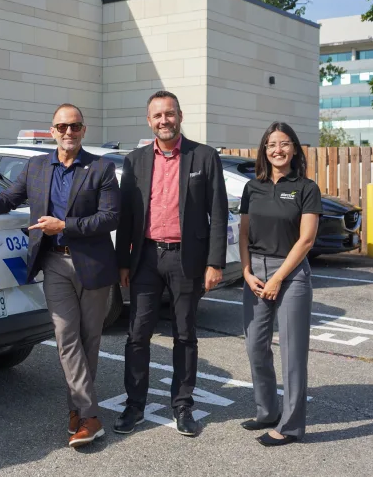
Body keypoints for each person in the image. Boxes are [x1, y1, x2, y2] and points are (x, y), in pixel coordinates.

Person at [0, 103, 120, 448]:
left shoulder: (101, 168)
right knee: (66, 338)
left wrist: (66, 226)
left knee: (89, 341)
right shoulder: (37, 167)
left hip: (93, 265)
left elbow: (110, 217)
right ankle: (90, 415)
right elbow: (8, 197)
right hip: (55, 262)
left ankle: (76, 410)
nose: (68, 133)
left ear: (83, 130)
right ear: (52, 131)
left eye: (74, 126)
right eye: (62, 127)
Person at [114, 90, 228, 437]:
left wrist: (215, 262)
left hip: (187, 258)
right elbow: (127, 215)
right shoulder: (135, 160)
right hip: (146, 256)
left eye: (170, 114)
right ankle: (134, 406)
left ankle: (182, 405)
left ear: (180, 116)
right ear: (149, 121)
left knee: (184, 334)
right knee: (137, 334)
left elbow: (219, 213)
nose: (164, 121)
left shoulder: (204, 157)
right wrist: (123, 261)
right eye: (157, 116)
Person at [238, 122, 320, 446]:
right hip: (255, 272)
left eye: (284, 144)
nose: (278, 150)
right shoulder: (252, 188)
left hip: (292, 274)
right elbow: (243, 234)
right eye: (272, 144)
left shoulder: (306, 188)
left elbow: (307, 240)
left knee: (292, 353)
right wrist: (246, 271)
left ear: (295, 149)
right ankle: (267, 410)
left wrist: (278, 278)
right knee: (255, 346)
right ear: (264, 150)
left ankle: (290, 426)